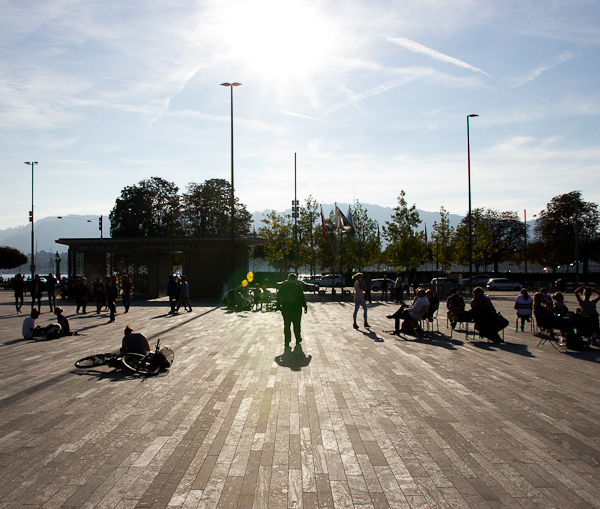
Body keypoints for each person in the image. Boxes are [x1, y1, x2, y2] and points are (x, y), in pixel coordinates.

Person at [276, 273, 307, 349]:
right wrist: (305, 306)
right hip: (296, 309)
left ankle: (287, 341)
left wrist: (278, 306)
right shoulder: (298, 288)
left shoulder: (283, 287)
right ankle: (297, 339)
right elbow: (302, 298)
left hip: (286, 308)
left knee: (287, 325)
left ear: (288, 278)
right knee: (297, 325)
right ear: (295, 279)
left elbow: (278, 296)